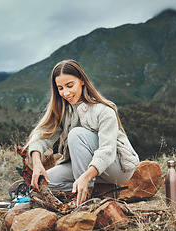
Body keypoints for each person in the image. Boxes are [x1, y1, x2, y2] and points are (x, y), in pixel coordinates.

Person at [26, 59, 140, 206]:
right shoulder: (63, 109)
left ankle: (85, 196)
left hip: (116, 168)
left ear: (81, 81)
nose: (65, 93)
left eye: (69, 85)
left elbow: (107, 150)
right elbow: (43, 135)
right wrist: (37, 163)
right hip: (84, 168)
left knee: (76, 134)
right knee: (45, 183)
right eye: (60, 88)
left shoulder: (104, 110)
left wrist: (86, 177)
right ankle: (93, 190)